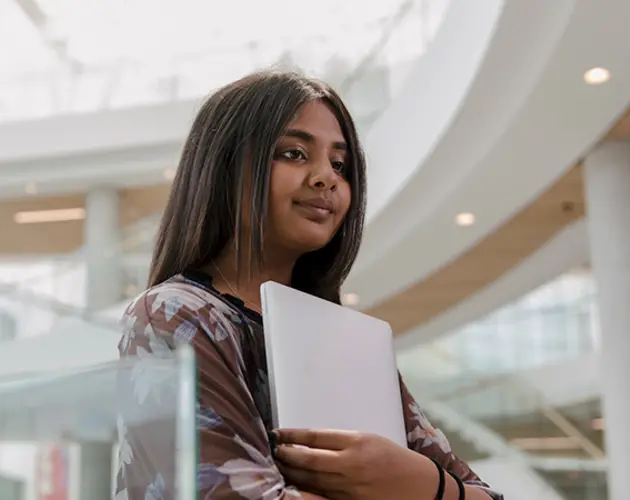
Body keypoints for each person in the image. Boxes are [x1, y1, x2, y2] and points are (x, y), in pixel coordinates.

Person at [115, 70, 503, 500]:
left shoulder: (350, 340)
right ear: (223, 167)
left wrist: (421, 483)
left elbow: (483, 494)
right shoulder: (174, 315)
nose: (326, 177)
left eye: (340, 164)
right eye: (294, 153)